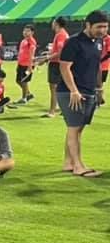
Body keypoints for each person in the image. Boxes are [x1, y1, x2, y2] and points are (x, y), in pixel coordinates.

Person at [56, 10, 108, 177]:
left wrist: (99, 88)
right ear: (87, 25)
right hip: (71, 93)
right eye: (99, 27)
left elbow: (97, 66)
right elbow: (64, 67)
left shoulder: (98, 43)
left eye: (105, 27)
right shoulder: (73, 42)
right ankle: (78, 166)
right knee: (74, 128)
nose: (103, 30)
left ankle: (68, 162)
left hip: (89, 91)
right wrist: (74, 91)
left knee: (77, 129)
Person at [42, 16, 70, 118]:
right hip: (60, 63)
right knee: (61, 87)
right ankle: (63, 108)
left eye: (53, 22)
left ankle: (52, 111)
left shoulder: (61, 35)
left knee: (54, 88)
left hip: (57, 64)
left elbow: (60, 52)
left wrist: (47, 58)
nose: (52, 24)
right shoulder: (61, 34)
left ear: (57, 23)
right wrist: (48, 53)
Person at [14, 25, 37, 104]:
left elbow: (32, 54)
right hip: (21, 64)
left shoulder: (32, 41)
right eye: (24, 31)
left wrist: (30, 67)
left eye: (28, 31)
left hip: (27, 65)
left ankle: (24, 98)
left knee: (24, 81)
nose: (25, 32)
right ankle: (28, 94)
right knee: (18, 81)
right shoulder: (23, 41)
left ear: (32, 32)